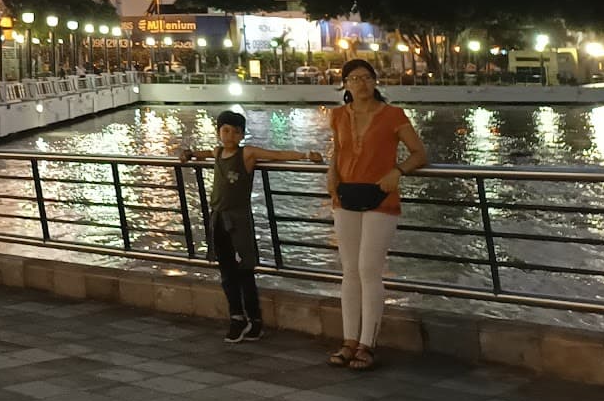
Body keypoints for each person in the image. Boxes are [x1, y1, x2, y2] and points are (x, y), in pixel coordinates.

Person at [182, 111, 323, 342]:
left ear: (242, 134)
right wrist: (189, 154)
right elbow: (205, 153)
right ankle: (237, 317)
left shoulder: (247, 153)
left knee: (245, 271)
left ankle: (255, 320)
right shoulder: (218, 152)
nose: (230, 135)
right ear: (218, 131)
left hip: (239, 222)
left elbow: (276, 155)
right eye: (225, 130)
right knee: (227, 272)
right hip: (218, 219)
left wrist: (306, 155)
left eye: (235, 131)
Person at [326, 57, 428, 372]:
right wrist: (331, 179)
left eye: (367, 78)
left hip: (381, 196)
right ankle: (348, 340)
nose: (361, 84)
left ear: (375, 82)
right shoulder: (338, 116)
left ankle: (367, 344)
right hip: (345, 196)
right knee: (350, 270)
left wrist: (398, 172)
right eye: (354, 79)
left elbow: (420, 153)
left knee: (369, 269)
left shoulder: (393, 115)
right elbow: (338, 151)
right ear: (345, 85)